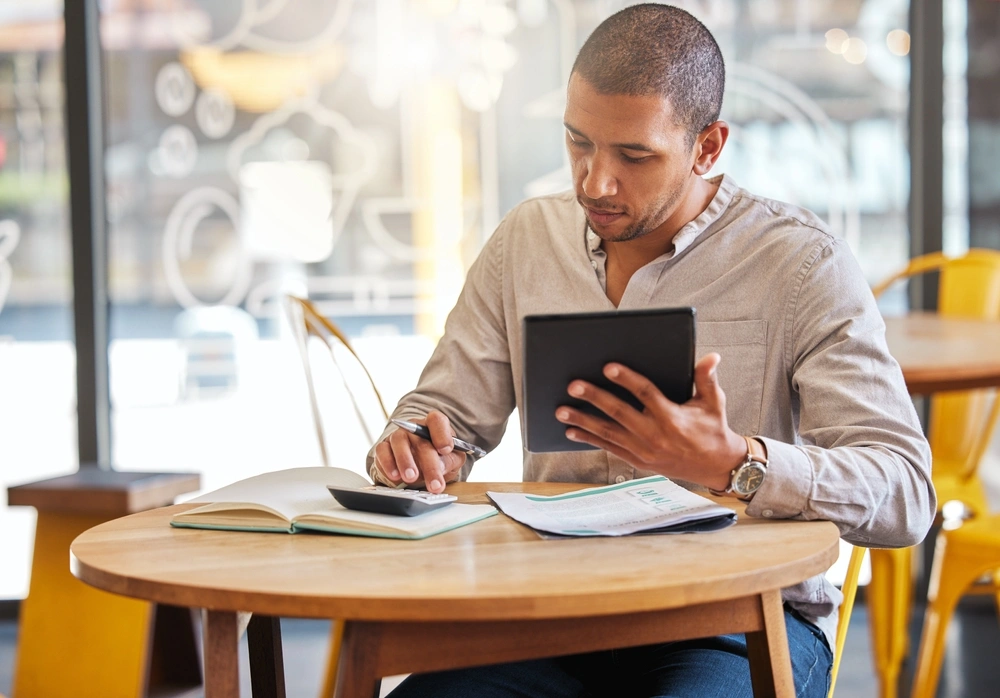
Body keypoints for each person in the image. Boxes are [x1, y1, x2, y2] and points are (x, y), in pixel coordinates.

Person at [368, 4, 936, 697]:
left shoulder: (800, 264)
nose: (593, 182)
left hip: (736, 623)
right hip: (547, 616)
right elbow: (445, 412)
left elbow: (906, 493)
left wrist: (737, 464)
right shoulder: (525, 241)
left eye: (634, 156)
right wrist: (420, 446)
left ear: (708, 146)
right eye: (579, 142)